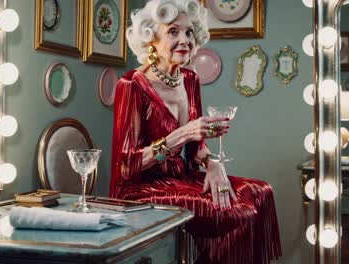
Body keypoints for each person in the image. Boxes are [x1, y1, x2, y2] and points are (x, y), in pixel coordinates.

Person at [109, 0, 281, 263]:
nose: (185, 40)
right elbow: (126, 166)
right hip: (142, 189)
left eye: (189, 32)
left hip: (182, 177)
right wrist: (182, 134)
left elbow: (196, 146)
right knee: (239, 213)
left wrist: (212, 163)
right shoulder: (131, 84)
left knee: (260, 192)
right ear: (151, 38)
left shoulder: (190, 80)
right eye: (173, 31)